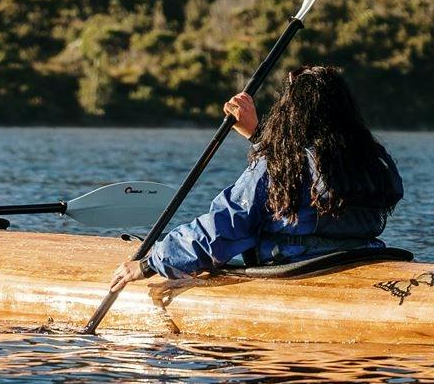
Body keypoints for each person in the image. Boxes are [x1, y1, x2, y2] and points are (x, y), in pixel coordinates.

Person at [108, 65, 403, 292]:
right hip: (364, 259)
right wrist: (259, 138)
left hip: (298, 270)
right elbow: (306, 167)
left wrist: (150, 263)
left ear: (291, 112)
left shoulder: (279, 162)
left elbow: (225, 227)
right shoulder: (371, 157)